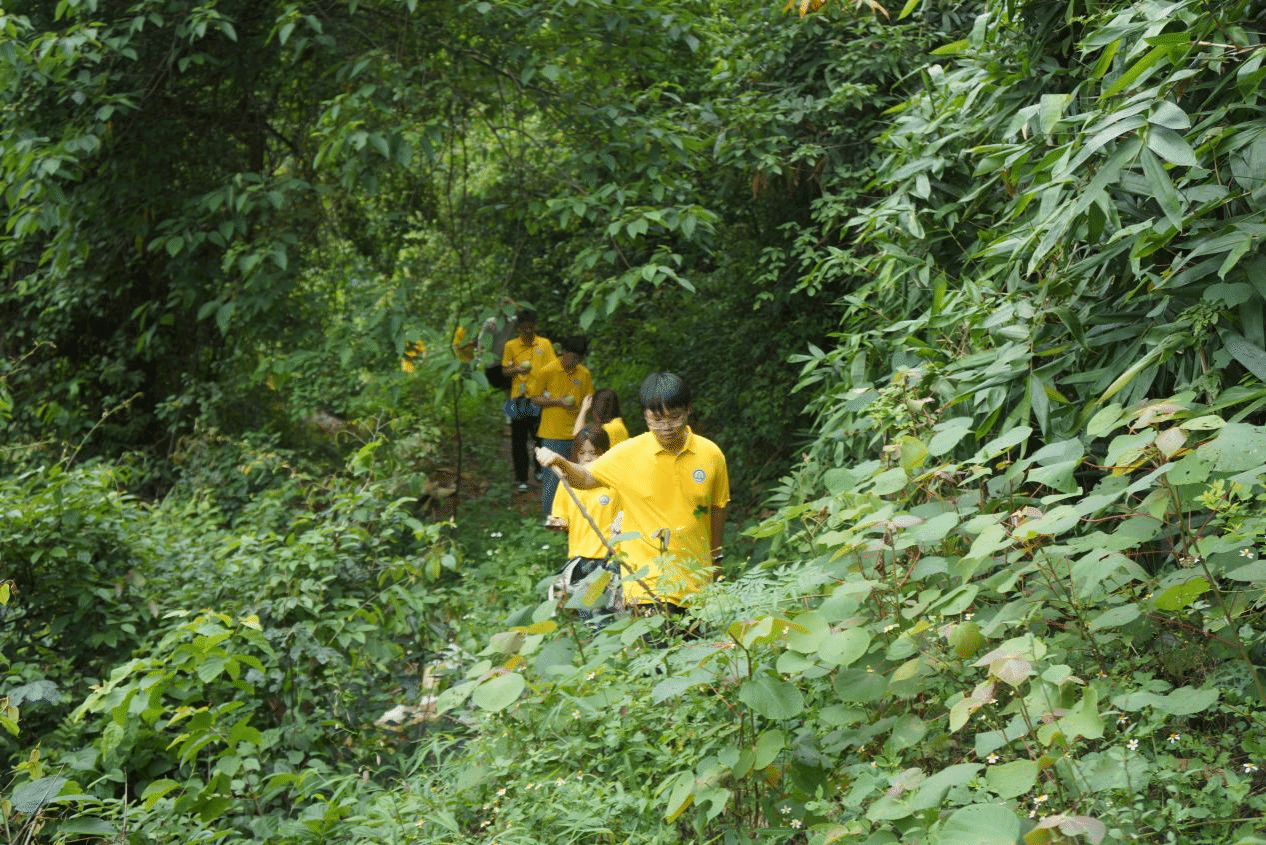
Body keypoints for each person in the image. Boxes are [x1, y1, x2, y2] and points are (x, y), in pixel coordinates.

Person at [536, 372, 729, 613]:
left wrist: (716, 561)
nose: (666, 427)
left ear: (688, 409)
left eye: (674, 417)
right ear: (644, 415)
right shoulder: (628, 454)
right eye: (656, 419)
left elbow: (717, 510)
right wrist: (562, 463)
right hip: (646, 586)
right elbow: (584, 478)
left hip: (697, 582)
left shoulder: (711, 455)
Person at [545, 425, 623, 625]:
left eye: (593, 453)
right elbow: (560, 521)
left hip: (609, 559)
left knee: (608, 616)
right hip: (581, 559)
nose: (587, 458)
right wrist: (557, 524)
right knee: (588, 618)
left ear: (605, 453)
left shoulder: (614, 483)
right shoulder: (567, 483)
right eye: (582, 453)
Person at [530, 335, 593, 515]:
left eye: (579, 359)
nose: (575, 362)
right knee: (552, 480)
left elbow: (589, 399)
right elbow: (534, 398)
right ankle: (549, 520)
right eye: (572, 357)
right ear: (563, 352)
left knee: (575, 479)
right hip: (552, 435)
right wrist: (556, 401)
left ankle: (571, 519)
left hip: (577, 435)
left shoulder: (584, 374)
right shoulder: (548, 371)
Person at [501, 309, 556, 493]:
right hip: (518, 398)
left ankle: (539, 469)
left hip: (539, 398)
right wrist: (517, 370)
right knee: (519, 440)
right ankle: (522, 478)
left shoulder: (545, 344)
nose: (528, 331)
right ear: (518, 327)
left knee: (540, 437)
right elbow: (504, 370)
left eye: (531, 328)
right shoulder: (511, 346)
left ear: (536, 325)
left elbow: (553, 368)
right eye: (524, 328)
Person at [477, 305, 517, 395]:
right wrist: (481, 358)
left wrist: (511, 303)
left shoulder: (513, 321)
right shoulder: (490, 323)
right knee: (507, 388)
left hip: (508, 363)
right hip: (494, 364)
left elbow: (525, 315)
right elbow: (482, 342)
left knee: (511, 389)